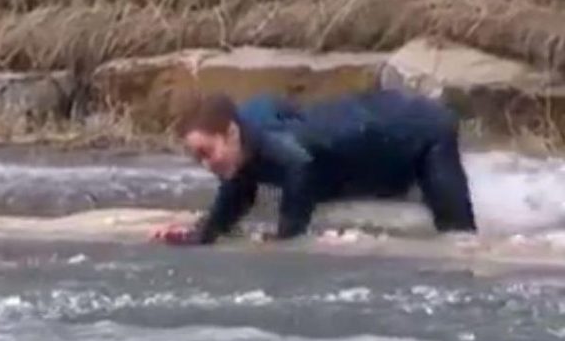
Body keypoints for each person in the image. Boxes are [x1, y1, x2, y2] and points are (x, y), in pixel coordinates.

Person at [150, 88, 477, 245]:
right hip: (375, 143)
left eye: (207, 152)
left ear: (232, 132)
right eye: (198, 159)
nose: (206, 165)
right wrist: (200, 235)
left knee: (458, 237)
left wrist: (286, 234)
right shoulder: (246, 148)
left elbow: (300, 166)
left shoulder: (274, 144)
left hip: (424, 134)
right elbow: (237, 193)